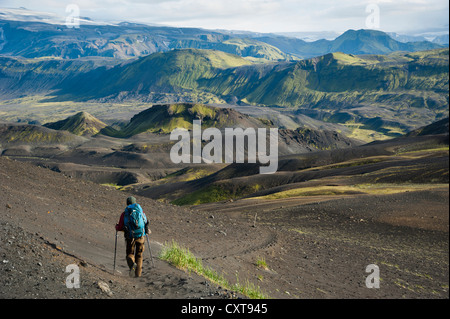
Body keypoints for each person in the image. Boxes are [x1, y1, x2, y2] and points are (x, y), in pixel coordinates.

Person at [116, 196, 150, 277]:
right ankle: (138, 275)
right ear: (135, 202)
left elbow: (120, 227)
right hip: (140, 236)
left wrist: (116, 227)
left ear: (127, 203)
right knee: (139, 255)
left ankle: (132, 264)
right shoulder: (141, 211)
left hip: (130, 237)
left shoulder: (124, 214)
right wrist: (146, 230)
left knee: (130, 253)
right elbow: (146, 222)